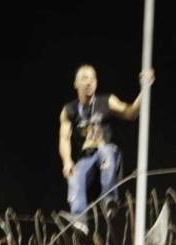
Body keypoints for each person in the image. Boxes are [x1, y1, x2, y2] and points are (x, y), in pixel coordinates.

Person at [58, 64, 155, 232]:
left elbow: (130, 112)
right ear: (76, 83)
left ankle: (110, 200)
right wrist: (67, 161)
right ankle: (79, 217)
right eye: (84, 78)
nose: (89, 82)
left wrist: (144, 89)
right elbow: (64, 139)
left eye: (92, 78)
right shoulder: (69, 110)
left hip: (105, 151)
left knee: (106, 152)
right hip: (86, 157)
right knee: (75, 174)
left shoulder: (106, 101)